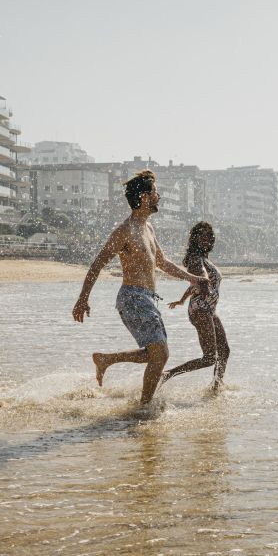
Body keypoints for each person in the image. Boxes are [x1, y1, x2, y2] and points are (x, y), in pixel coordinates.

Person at [72, 170, 208, 405]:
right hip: (132, 297)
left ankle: (107, 360)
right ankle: (144, 407)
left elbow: (162, 263)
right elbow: (98, 263)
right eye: (156, 192)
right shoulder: (126, 230)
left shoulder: (148, 228)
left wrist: (192, 279)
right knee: (161, 354)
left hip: (147, 298)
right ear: (145, 197)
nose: (159, 196)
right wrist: (83, 299)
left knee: (156, 354)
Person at [160, 222, 230, 390]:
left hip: (209, 310)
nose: (207, 238)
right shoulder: (195, 259)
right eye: (203, 235)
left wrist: (182, 299)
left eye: (209, 235)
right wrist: (204, 283)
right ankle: (167, 375)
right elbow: (200, 276)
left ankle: (216, 387)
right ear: (195, 238)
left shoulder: (204, 258)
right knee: (209, 358)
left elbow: (194, 285)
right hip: (200, 310)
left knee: (225, 351)